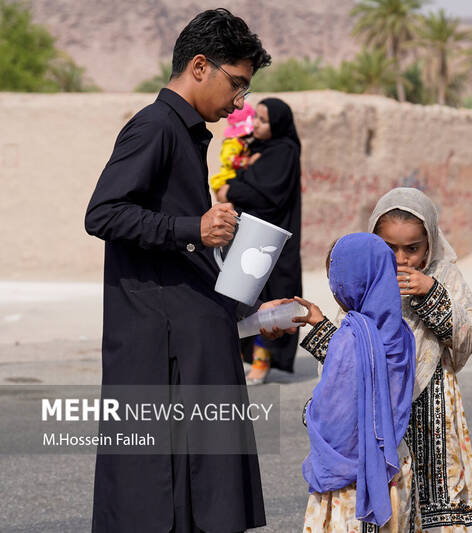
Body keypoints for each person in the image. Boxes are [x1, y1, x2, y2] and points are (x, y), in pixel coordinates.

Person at [84, 9, 271, 532]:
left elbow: (179, 246)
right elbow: (102, 213)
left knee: (201, 494)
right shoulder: (154, 127)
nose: (240, 102)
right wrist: (192, 226)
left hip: (188, 339)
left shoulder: (185, 134)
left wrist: (250, 310)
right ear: (198, 66)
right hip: (159, 349)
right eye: (236, 84)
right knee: (157, 495)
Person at [298, 188, 472, 532]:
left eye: (412, 249)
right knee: (388, 508)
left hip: (430, 407)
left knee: (435, 498)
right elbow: (349, 360)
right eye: (389, 248)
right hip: (375, 416)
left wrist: (431, 293)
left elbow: (469, 334)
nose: (401, 259)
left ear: (429, 243)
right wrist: (320, 328)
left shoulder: (443, 276)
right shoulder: (367, 280)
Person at [301, 233, 417, 532]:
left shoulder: (351, 336)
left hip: (350, 483)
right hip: (394, 468)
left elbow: (333, 419)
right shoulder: (400, 333)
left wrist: (308, 412)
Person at [217, 98, 303, 384]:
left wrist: (231, 190)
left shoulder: (284, 152)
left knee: (271, 298)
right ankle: (244, 357)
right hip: (248, 238)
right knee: (244, 295)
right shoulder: (253, 148)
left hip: (273, 241)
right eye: (256, 118)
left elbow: (269, 195)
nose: (255, 124)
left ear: (278, 124)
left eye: (264, 120)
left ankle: (263, 361)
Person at [209, 102, 256, 192]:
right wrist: (246, 161)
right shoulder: (231, 143)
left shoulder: (243, 142)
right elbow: (228, 159)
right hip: (230, 175)